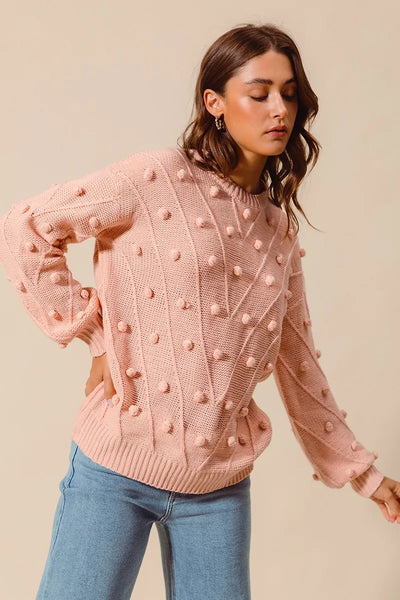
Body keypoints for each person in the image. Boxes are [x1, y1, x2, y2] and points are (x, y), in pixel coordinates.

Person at [0, 22, 399, 600]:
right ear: (215, 103)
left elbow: (298, 363)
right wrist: (93, 334)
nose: (279, 110)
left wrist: (362, 473)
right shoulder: (155, 176)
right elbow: (27, 226)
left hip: (219, 489)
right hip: (115, 468)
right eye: (258, 93)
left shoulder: (278, 232)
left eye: (289, 94)